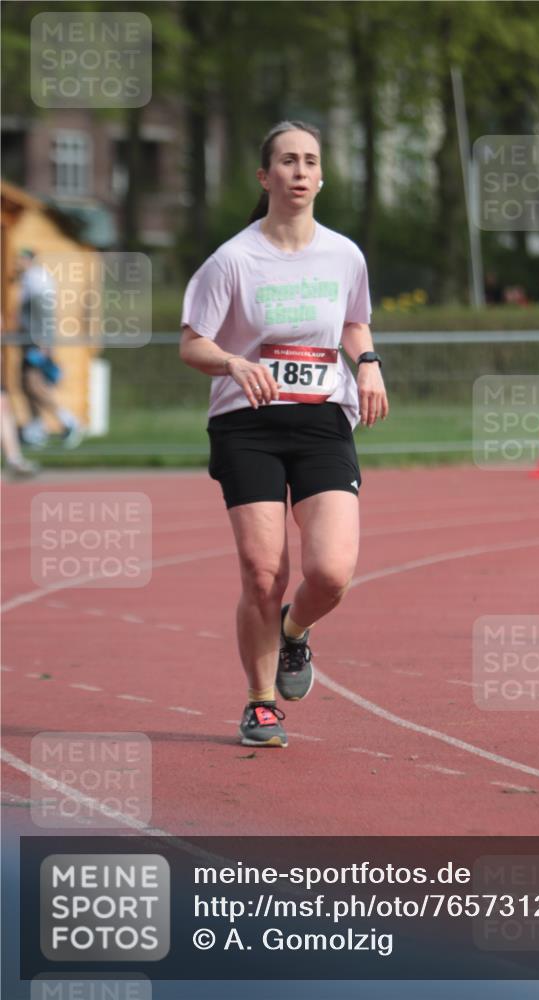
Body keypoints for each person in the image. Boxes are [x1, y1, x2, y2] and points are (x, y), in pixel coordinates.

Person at [180, 120, 389, 748]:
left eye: (310, 161)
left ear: (321, 177)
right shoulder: (233, 260)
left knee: (331, 572)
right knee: (263, 571)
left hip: (322, 420)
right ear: (265, 176)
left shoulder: (344, 255)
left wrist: (368, 362)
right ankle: (260, 703)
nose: (300, 171)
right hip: (247, 424)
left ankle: (293, 632)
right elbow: (192, 344)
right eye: (288, 161)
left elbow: (354, 322)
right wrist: (233, 363)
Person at [15, 249, 82, 449]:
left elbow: (45, 314)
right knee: (26, 384)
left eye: (20, 258)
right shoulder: (28, 279)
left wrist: (45, 343)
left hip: (36, 342)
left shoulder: (36, 279)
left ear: (28, 260)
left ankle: (68, 421)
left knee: (34, 384)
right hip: (29, 341)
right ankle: (37, 427)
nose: (17, 262)